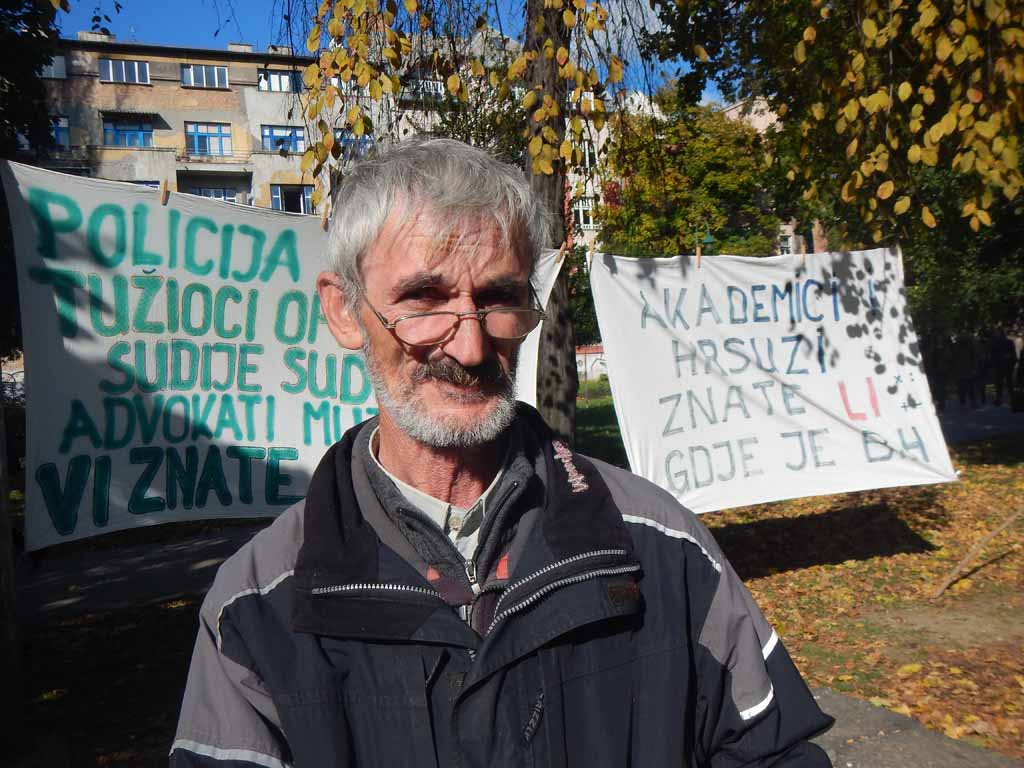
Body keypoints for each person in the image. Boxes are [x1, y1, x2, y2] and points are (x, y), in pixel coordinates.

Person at [170, 138, 834, 768]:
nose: (469, 346)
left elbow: (775, 752)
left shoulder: (659, 546)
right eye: (424, 300)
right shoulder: (255, 606)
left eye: (498, 299)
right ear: (345, 311)